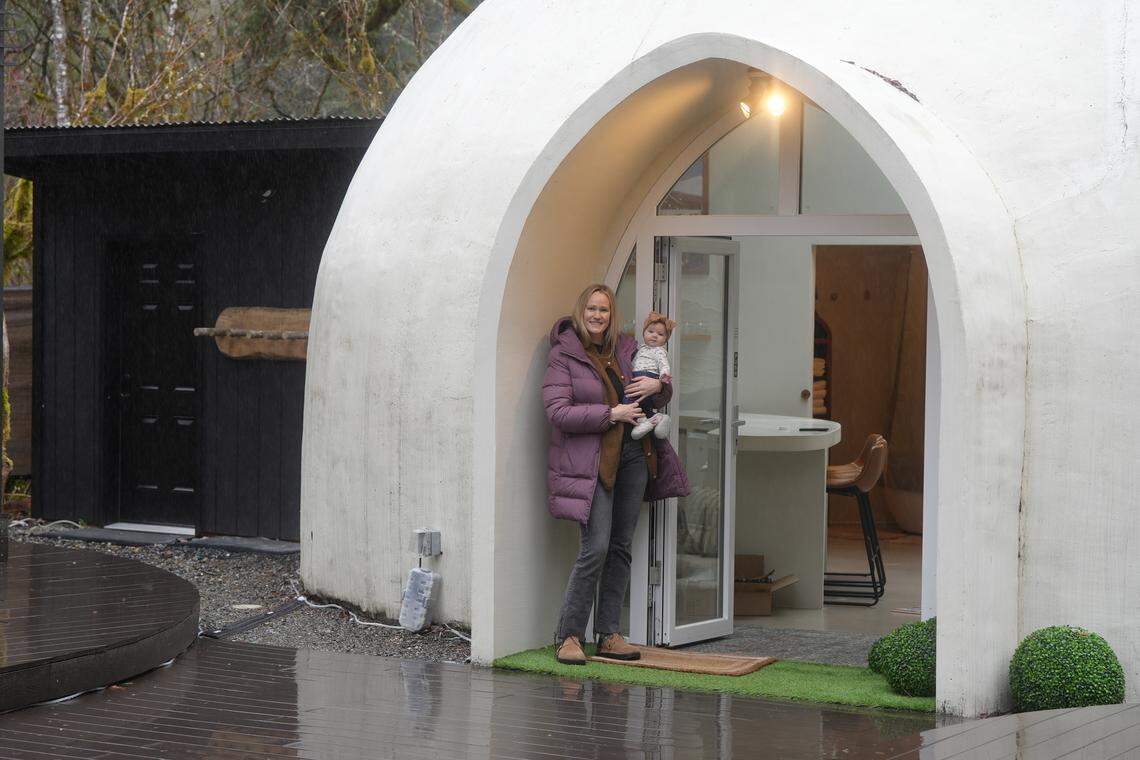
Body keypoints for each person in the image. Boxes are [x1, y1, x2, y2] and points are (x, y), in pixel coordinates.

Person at [543, 283, 690, 666]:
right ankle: (568, 636)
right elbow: (558, 412)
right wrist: (611, 414)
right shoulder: (564, 356)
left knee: (621, 548)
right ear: (581, 311)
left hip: (633, 455)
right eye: (591, 308)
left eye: (604, 310)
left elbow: (656, 392)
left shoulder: (627, 349)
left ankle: (608, 634)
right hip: (593, 463)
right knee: (596, 548)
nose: (597, 315)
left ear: (612, 316)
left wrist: (661, 386)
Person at [627, 312, 675, 441]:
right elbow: (633, 363)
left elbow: (664, 365)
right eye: (651, 331)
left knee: (629, 400)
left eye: (660, 334)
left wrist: (663, 379)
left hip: (649, 376)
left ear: (665, 339)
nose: (654, 336)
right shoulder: (640, 349)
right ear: (644, 333)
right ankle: (657, 418)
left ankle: (642, 421)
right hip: (637, 376)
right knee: (644, 406)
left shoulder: (659, 351)